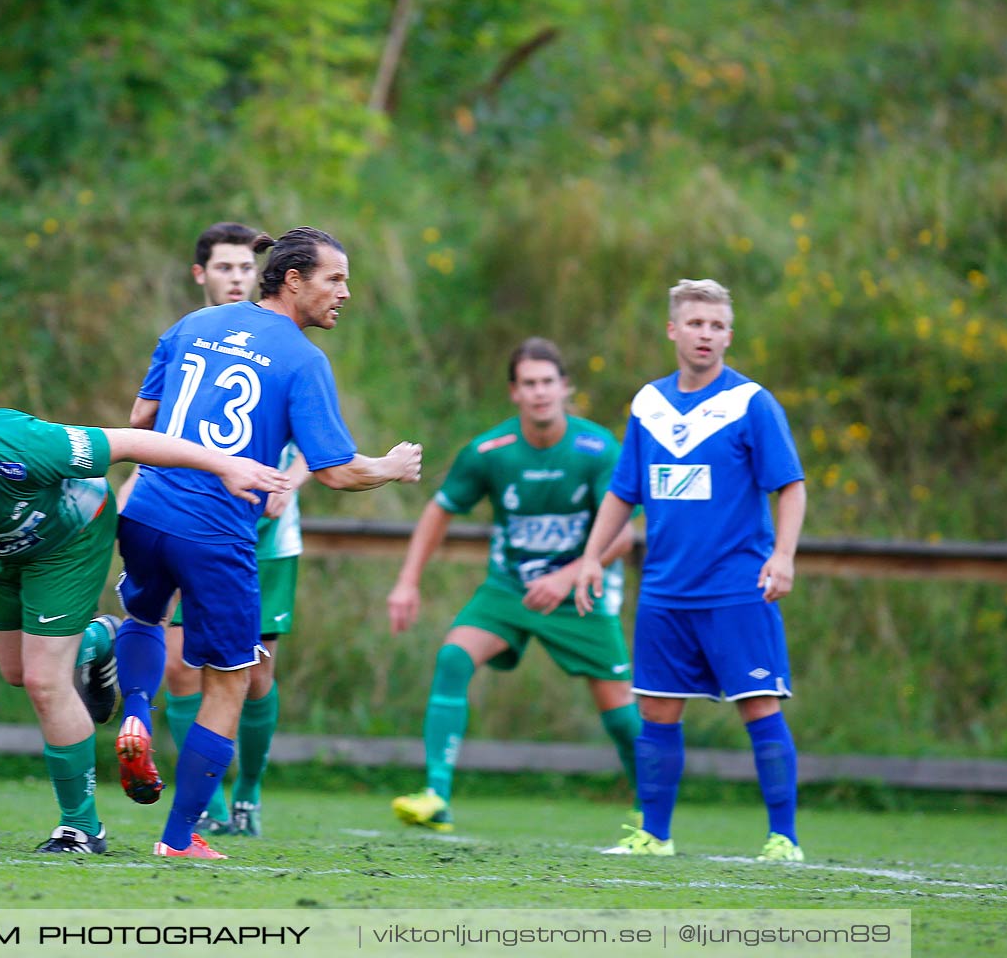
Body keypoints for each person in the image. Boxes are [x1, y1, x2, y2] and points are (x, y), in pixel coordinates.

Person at [115, 226, 422, 859]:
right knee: (230, 680)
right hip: (217, 532)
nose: (345, 292)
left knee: (143, 617)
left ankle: (136, 711)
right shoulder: (304, 361)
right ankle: (179, 839)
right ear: (292, 280)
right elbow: (335, 471)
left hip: (146, 508)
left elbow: (141, 421)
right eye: (334, 279)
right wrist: (391, 465)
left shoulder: (191, 326)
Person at [0, 387, 289, 855]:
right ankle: (100, 640)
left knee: (43, 679)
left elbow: (131, 442)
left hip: (71, 537)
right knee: (15, 672)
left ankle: (80, 828)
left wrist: (225, 465)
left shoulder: (21, 444)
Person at [572, 279, 807, 862]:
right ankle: (654, 835)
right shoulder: (647, 404)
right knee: (655, 709)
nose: (707, 334)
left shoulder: (751, 403)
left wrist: (783, 555)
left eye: (718, 326)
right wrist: (588, 559)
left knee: (758, 704)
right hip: (664, 592)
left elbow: (791, 486)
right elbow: (623, 492)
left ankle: (784, 838)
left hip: (735, 587)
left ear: (730, 334)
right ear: (673, 330)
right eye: (696, 323)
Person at [387, 339, 639, 832]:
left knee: (621, 714)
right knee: (453, 657)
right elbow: (439, 509)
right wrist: (407, 581)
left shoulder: (597, 449)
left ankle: (651, 809)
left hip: (581, 592)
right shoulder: (488, 451)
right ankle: (436, 795)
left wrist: (566, 578)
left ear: (566, 388)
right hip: (511, 589)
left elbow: (623, 535)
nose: (540, 392)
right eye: (529, 384)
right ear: (514, 393)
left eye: (548, 382)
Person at [118, 222, 311, 838]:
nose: (237, 277)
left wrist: (291, 484)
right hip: (208, 522)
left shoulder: (276, 349)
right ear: (201, 275)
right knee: (194, 670)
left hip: (260, 532)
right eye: (224, 268)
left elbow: (318, 444)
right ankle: (205, 810)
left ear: (265, 277)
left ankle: (244, 794)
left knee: (254, 675)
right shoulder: (191, 335)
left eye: (245, 269)